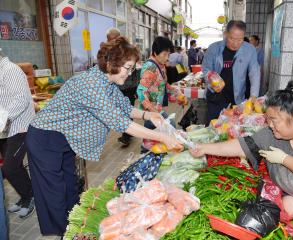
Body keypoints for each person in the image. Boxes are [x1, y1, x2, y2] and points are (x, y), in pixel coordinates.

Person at [26, 37, 183, 236]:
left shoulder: (107, 82)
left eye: (132, 68)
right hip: (45, 139)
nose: (129, 73)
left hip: (66, 139)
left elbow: (124, 108)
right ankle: (65, 233)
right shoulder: (91, 84)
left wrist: (147, 114)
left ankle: (75, 226)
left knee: (70, 187)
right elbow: (120, 122)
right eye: (127, 67)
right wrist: (162, 137)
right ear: (111, 63)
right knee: (54, 193)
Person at [190, 89, 293, 233]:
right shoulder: (273, 134)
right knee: (287, 206)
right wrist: (204, 148)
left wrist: (284, 159)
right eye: (268, 119)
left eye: (274, 120)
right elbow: (243, 146)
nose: (269, 124)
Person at [202, 20, 260, 124]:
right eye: (232, 38)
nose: (236, 43)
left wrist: (254, 95)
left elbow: (254, 72)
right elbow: (206, 69)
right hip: (216, 97)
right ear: (226, 34)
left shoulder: (249, 50)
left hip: (237, 98)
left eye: (240, 39)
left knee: (233, 130)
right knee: (213, 128)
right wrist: (211, 79)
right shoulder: (214, 48)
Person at [0, 51, 35, 219]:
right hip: (5, 129)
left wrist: (1, 119)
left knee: (9, 167)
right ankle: (25, 196)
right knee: (14, 166)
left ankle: (31, 197)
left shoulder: (10, 70)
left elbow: (21, 100)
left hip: (20, 127)